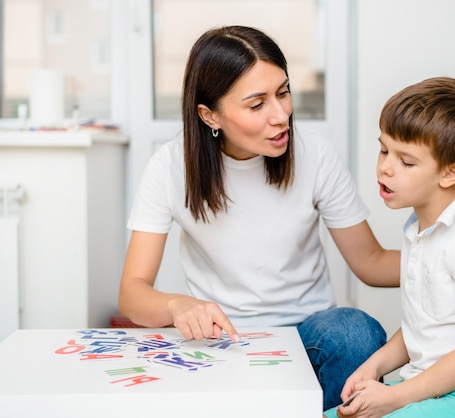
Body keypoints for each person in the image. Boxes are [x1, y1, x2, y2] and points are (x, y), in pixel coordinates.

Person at [117, 25, 400, 411]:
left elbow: (371, 263)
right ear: (209, 115)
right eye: (257, 104)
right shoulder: (169, 166)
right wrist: (177, 306)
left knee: (353, 332)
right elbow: (132, 292)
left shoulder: (314, 154)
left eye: (283, 92)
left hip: (310, 331)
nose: (281, 115)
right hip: (222, 338)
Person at [324, 77, 455, 418]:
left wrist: (395, 397)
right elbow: (424, 329)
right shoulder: (419, 233)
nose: (385, 167)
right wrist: (372, 368)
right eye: (384, 149)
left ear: (449, 173)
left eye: (406, 161)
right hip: (428, 389)